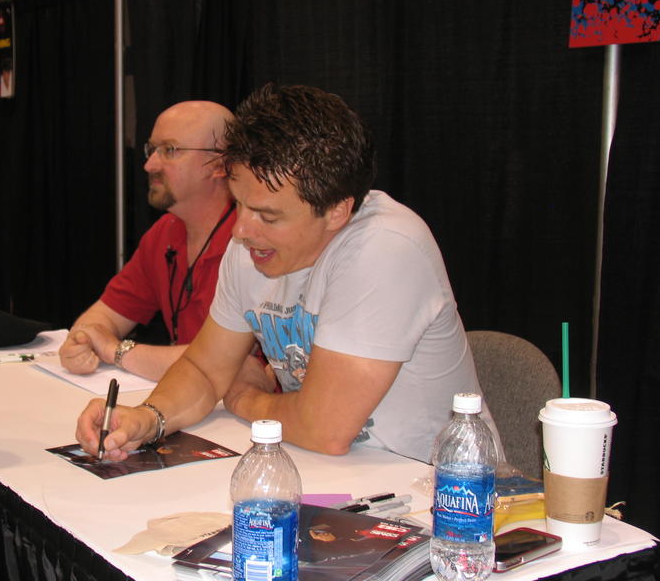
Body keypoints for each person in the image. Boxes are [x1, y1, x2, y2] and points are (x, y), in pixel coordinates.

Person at [76, 83, 501, 464]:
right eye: (239, 203)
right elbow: (205, 370)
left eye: (267, 215)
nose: (241, 230)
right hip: (331, 477)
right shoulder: (252, 245)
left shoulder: (387, 246)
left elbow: (324, 429)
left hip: (450, 502)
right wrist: (147, 419)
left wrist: (244, 398)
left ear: (337, 211)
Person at [59, 101, 236, 381]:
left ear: (219, 164)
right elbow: (99, 319)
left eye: (170, 150)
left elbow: (228, 363)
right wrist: (82, 343)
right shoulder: (164, 232)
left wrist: (116, 351)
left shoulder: (254, 240)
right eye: (151, 149)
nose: (149, 164)